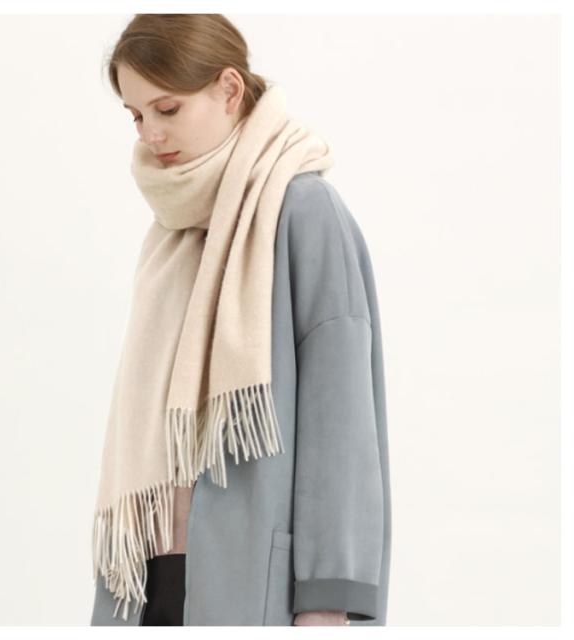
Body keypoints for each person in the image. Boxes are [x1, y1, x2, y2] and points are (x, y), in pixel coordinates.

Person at [90, 14, 391, 627]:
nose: (150, 133)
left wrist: (327, 599)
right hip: (148, 579)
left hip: (252, 583)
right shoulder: (174, 228)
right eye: (136, 115)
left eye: (167, 108)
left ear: (229, 89)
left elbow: (341, 421)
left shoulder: (303, 209)